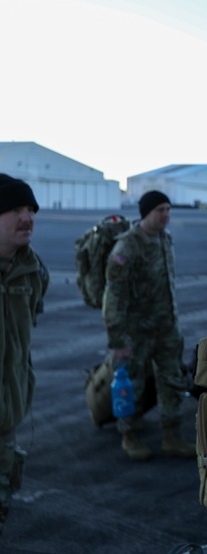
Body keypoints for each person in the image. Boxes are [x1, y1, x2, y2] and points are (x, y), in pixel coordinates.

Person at [103, 190, 196, 461]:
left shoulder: (165, 240)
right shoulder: (127, 247)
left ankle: (172, 436)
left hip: (166, 327)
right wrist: (118, 340)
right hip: (136, 331)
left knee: (173, 380)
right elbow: (114, 297)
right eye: (160, 210)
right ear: (146, 212)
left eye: (168, 209)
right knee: (133, 383)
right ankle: (129, 436)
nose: (166, 215)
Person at [0, 175, 46, 535]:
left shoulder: (33, 272)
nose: (27, 217)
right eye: (15, 209)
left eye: (30, 209)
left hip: (8, 417)